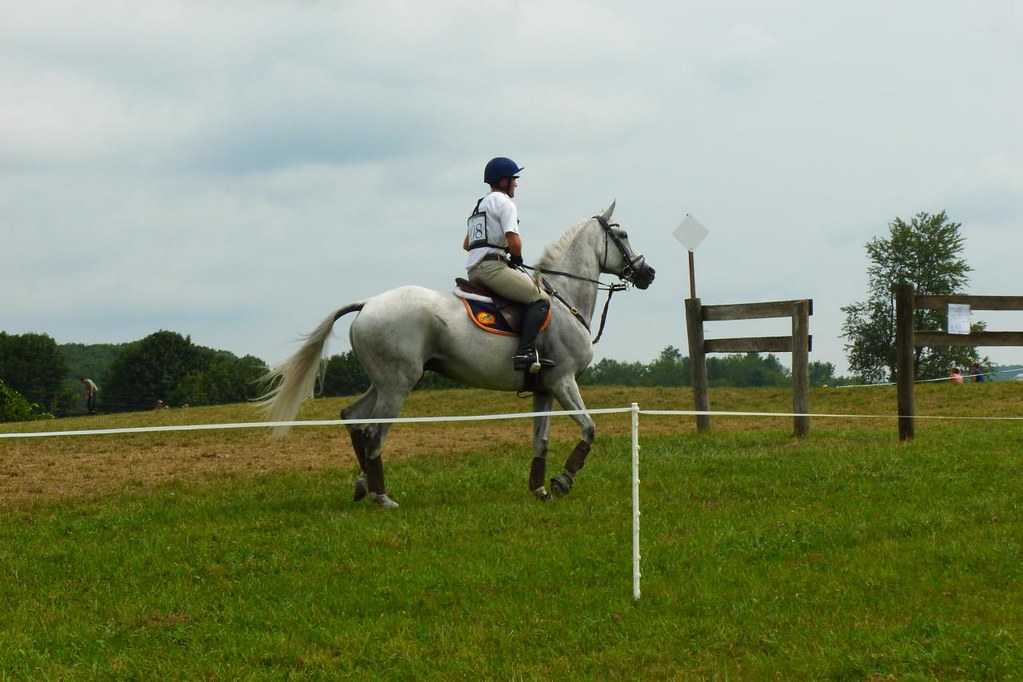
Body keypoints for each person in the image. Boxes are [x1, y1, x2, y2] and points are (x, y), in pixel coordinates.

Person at [463, 156, 552, 373]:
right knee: (541, 298)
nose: (516, 184)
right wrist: (517, 257)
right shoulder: (505, 203)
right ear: (503, 182)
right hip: (492, 269)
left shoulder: (479, 206)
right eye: (513, 179)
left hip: (474, 270)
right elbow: (514, 241)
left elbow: (467, 244)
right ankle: (525, 352)